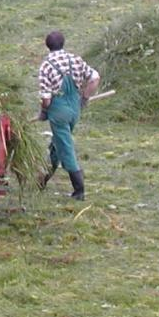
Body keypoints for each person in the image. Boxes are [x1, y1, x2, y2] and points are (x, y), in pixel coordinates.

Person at [36, 30, 101, 200]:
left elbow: (46, 98)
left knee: (65, 146)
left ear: (47, 45)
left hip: (59, 112)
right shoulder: (75, 59)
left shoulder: (46, 65)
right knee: (58, 142)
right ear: (63, 43)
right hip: (74, 109)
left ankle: (79, 191)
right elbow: (95, 78)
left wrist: (44, 112)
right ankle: (43, 179)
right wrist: (85, 97)